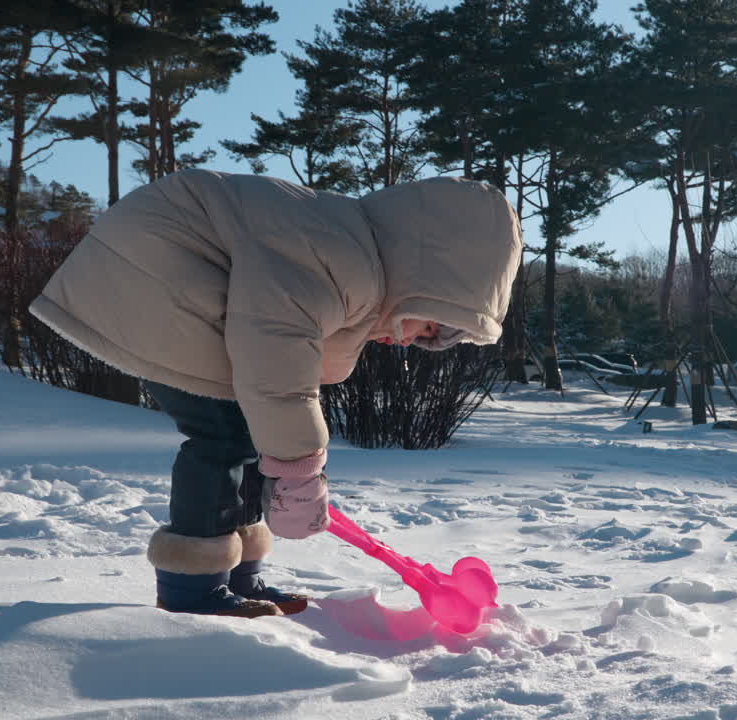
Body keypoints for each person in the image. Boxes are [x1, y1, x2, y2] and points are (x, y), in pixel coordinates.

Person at [30, 169, 522, 618]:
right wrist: (300, 468)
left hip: (174, 281)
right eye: (431, 324)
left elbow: (291, 367)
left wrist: (291, 461)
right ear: (428, 274)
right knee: (221, 435)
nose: (412, 339)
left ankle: (238, 578)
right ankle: (192, 590)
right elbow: (275, 358)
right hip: (152, 276)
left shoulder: (352, 253)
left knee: (244, 430)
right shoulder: (340, 257)